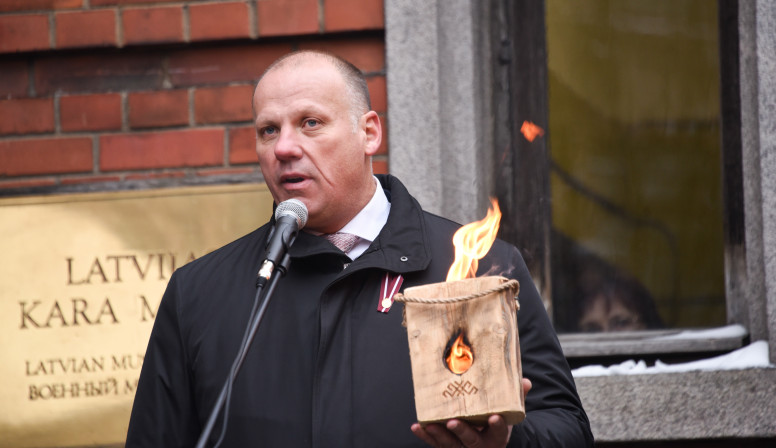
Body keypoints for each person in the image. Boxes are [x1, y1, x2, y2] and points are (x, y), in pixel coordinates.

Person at [126, 50, 594, 447]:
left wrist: (510, 441)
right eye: (268, 130)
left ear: (369, 132)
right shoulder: (199, 294)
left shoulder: (477, 267)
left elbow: (568, 428)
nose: (284, 147)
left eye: (310, 123)